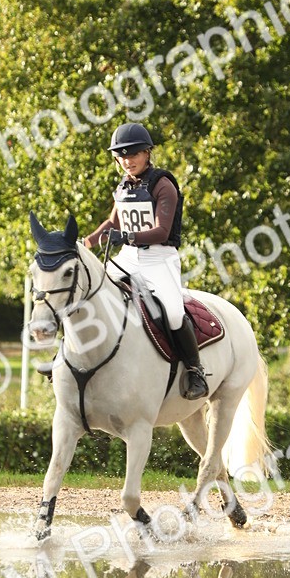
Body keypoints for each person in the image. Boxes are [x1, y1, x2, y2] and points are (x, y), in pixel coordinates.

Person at [83, 122, 208, 400]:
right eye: (122, 156)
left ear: (148, 153)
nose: (128, 161)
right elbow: (112, 222)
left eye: (134, 154)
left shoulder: (163, 185)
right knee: (90, 292)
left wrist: (125, 236)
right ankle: (69, 357)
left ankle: (195, 370)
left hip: (159, 259)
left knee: (174, 313)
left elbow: (162, 231)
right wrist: (87, 242)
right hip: (128, 258)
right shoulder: (124, 185)